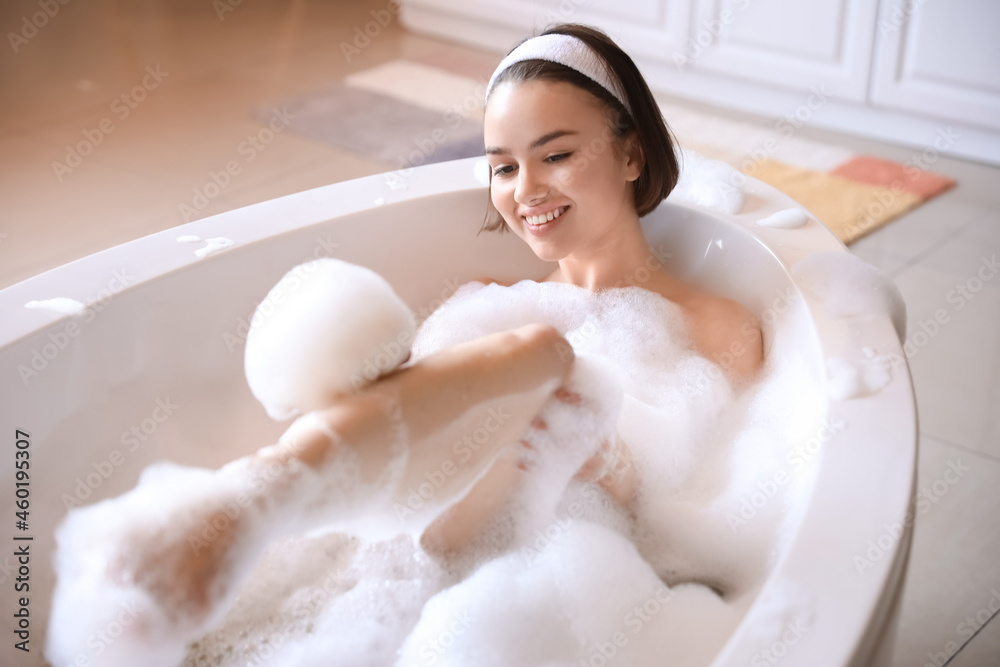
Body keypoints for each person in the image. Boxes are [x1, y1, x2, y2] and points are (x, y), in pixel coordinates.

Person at [46, 23, 764, 664]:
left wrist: (602, 451)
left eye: (557, 154)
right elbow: (396, 476)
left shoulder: (715, 323)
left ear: (632, 154)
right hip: (383, 583)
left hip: (525, 589)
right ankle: (240, 517)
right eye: (505, 166)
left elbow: (697, 499)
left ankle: (249, 505)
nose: (526, 189)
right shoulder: (483, 303)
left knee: (549, 359)